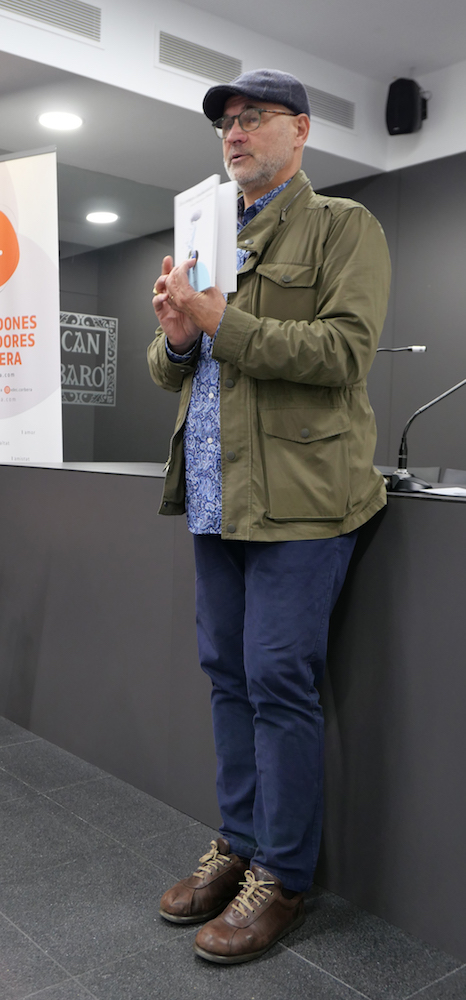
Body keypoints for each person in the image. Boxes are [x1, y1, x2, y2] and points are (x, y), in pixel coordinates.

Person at [148, 68, 391, 965]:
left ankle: (281, 877)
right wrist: (180, 335)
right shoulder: (209, 231)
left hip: (303, 499)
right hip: (216, 493)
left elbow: (345, 351)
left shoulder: (343, 226)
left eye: (254, 117)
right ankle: (239, 843)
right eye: (226, 123)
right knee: (227, 676)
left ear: (302, 129)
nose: (235, 133)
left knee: (279, 680)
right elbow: (170, 365)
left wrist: (221, 321)